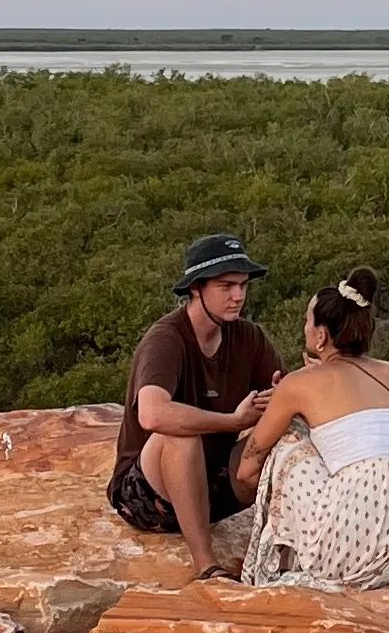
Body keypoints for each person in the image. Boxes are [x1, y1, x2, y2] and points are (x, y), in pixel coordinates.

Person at [236, 267, 389, 591]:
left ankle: (277, 564)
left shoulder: (299, 384)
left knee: (289, 437)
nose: (304, 327)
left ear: (320, 336)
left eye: (308, 320)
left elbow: (247, 469)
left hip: (356, 532)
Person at [108, 233, 284, 580]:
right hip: (148, 494)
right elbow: (152, 413)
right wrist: (233, 421)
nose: (238, 296)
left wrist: (285, 395)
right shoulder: (167, 339)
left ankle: (297, 553)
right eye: (226, 286)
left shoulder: (248, 337)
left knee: (286, 434)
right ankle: (206, 565)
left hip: (212, 485)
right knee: (178, 434)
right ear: (195, 289)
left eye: (243, 286)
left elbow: (284, 391)